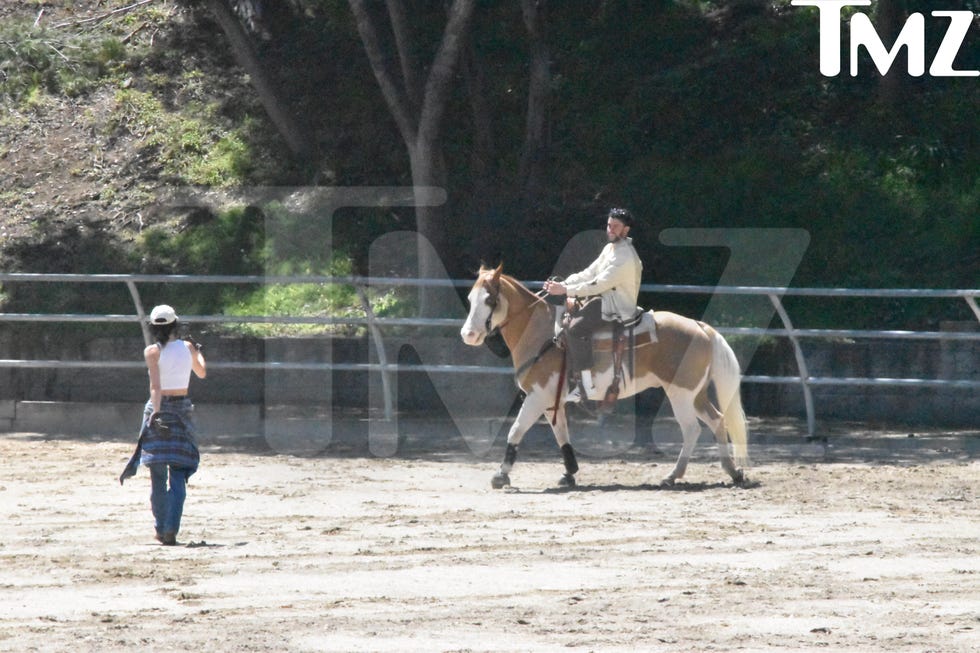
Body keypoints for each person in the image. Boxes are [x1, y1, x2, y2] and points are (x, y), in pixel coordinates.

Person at [543, 208, 642, 403]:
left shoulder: (625, 257)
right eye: (609, 225)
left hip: (617, 306)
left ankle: (586, 388)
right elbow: (589, 273)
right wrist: (564, 284)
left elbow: (598, 284)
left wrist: (564, 290)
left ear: (626, 230)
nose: (610, 230)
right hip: (605, 299)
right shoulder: (610, 249)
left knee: (574, 329)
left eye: (616, 227)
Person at [139, 304, 207, 545]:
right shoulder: (188, 348)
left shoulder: (152, 352)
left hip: (158, 407)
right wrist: (197, 352)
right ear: (176, 324)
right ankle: (171, 528)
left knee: (156, 474)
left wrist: (155, 415)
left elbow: (155, 388)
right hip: (181, 410)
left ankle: (160, 528)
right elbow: (201, 372)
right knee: (178, 473)